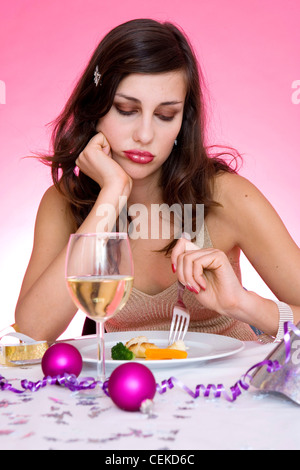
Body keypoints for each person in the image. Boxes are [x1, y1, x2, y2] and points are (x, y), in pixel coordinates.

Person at [15, 18, 300, 343]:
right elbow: (31, 332)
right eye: (126, 110)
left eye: (165, 116)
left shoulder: (227, 196)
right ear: (96, 108)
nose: (145, 135)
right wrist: (112, 194)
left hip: (230, 391)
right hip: (128, 391)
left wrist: (243, 304)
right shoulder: (65, 202)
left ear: (183, 120)